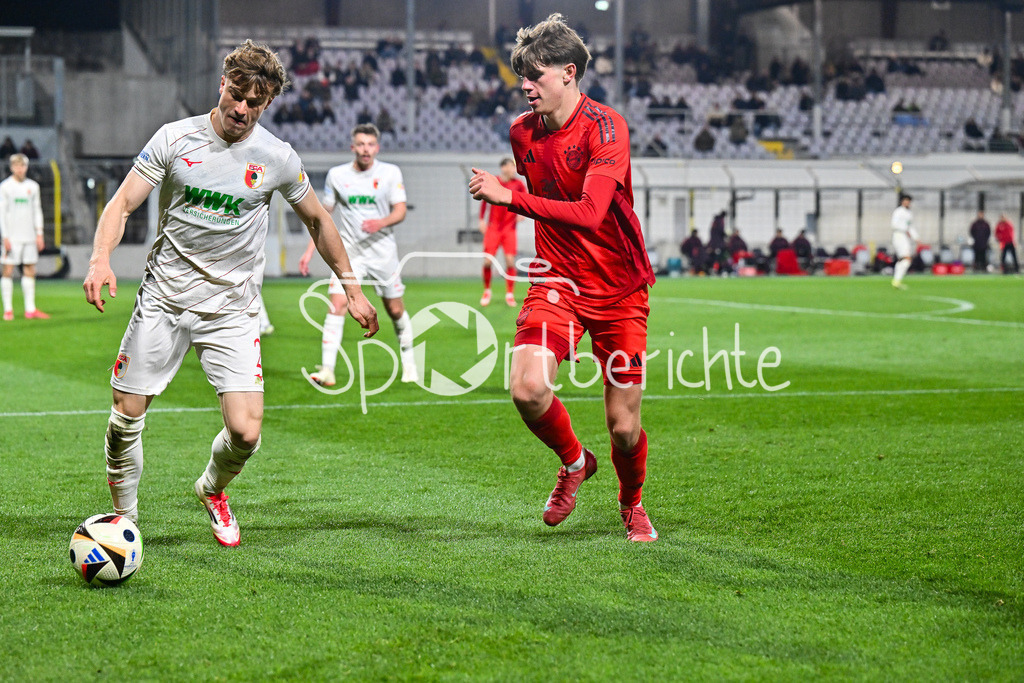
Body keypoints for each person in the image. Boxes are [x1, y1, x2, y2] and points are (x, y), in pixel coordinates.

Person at [82, 40, 379, 547]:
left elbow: (318, 220)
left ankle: (212, 489)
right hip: (165, 299)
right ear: (222, 84)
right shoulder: (174, 139)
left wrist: (351, 288)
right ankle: (122, 521)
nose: (241, 109)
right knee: (125, 415)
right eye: (237, 94)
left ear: (267, 104)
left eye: (255, 102)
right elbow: (122, 203)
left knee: (246, 432)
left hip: (233, 308)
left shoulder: (277, 157)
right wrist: (99, 258)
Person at [469, 14, 658, 542]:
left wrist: (511, 198)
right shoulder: (521, 134)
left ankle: (632, 503)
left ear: (569, 73)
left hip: (620, 287)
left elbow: (591, 211)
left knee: (624, 427)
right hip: (556, 279)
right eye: (520, 76)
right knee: (527, 388)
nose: (524, 86)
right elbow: (552, 208)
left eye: (535, 75)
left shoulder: (607, 127)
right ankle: (575, 462)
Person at [299, 123, 416, 387]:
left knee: (395, 309)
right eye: (361, 144)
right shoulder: (337, 176)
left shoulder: (390, 173)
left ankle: (410, 364)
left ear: (377, 147)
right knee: (337, 304)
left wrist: (381, 222)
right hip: (349, 253)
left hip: (383, 252)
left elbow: (400, 210)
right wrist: (309, 252)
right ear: (353, 147)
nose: (366, 149)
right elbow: (322, 217)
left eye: (371, 144)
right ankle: (327, 369)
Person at [1, 153, 48, 320]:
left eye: (23, 166)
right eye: (17, 166)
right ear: (12, 167)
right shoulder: (5, 187)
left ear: (26, 167)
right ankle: (8, 310)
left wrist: (39, 233)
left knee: (30, 269)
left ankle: (30, 309)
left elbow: (37, 210)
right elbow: (2, 213)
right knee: (7, 270)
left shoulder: (33, 186)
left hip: (29, 236)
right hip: (12, 237)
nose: (20, 169)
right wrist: (4, 236)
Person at [477, 158, 525, 307]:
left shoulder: (518, 184)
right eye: (511, 166)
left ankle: (509, 294)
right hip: (493, 228)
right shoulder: (494, 181)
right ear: (503, 167)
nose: (513, 170)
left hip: (509, 229)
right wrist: (481, 219)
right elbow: (485, 201)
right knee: (487, 262)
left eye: (514, 167)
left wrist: (522, 213)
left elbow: (525, 199)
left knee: (510, 261)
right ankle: (487, 291)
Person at [891, 193, 918, 289]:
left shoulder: (909, 213)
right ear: (902, 201)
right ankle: (897, 280)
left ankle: (896, 281)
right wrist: (905, 229)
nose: (907, 202)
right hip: (899, 235)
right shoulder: (898, 212)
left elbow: (911, 227)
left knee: (902, 260)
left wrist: (916, 238)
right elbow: (894, 224)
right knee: (907, 259)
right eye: (905, 200)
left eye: (908, 201)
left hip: (904, 236)